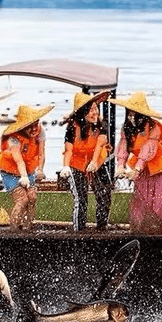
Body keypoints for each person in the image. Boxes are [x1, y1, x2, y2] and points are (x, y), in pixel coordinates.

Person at [110, 91, 162, 234]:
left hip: (160, 168)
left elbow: (148, 149)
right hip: (142, 169)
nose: (132, 116)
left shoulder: (154, 127)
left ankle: (161, 230)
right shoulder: (126, 128)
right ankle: (140, 230)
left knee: (159, 202)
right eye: (130, 113)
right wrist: (121, 166)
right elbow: (123, 146)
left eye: (135, 113)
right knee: (141, 201)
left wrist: (136, 170)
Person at [60, 90, 113, 232]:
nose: (95, 113)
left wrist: (94, 162)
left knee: (105, 192)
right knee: (81, 198)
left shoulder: (101, 124)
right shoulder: (72, 128)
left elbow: (100, 144)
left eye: (96, 108)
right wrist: (65, 167)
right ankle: (79, 230)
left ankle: (102, 227)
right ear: (83, 113)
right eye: (91, 110)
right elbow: (68, 150)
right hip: (76, 163)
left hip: (97, 160)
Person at [0, 103, 52, 231]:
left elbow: (41, 153)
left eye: (35, 124)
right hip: (10, 172)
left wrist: (40, 170)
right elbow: (18, 159)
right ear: (22, 126)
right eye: (29, 126)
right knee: (22, 200)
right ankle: (13, 230)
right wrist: (24, 176)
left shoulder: (40, 132)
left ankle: (28, 228)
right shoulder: (13, 137)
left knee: (32, 197)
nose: (33, 129)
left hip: (28, 169)